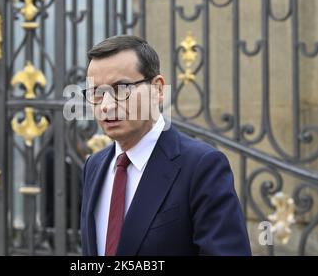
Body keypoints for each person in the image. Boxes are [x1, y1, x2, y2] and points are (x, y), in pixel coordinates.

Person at [80, 35, 251, 256]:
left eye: (121, 88)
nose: (106, 105)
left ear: (158, 90)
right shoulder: (94, 166)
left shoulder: (201, 166)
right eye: (96, 92)